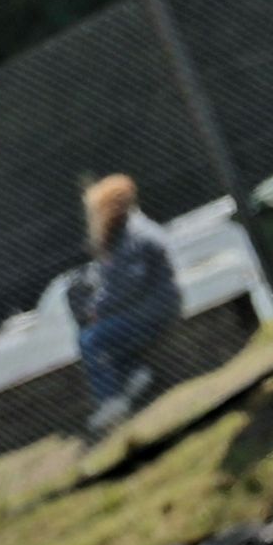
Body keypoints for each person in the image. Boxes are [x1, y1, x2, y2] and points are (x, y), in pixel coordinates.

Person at [68, 174, 182, 435]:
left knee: (91, 340)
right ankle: (134, 374)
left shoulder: (132, 235)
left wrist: (98, 308)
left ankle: (111, 401)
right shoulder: (127, 232)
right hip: (149, 309)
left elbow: (129, 284)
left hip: (152, 313)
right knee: (104, 335)